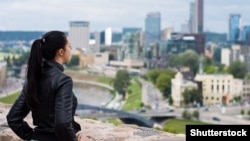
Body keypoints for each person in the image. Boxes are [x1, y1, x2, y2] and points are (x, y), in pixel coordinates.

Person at [6, 31, 82, 141]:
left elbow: (13, 118)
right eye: (69, 47)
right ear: (61, 52)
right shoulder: (63, 80)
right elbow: (62, 124)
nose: (71, 50)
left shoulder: (33, 78)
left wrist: (32, 137)